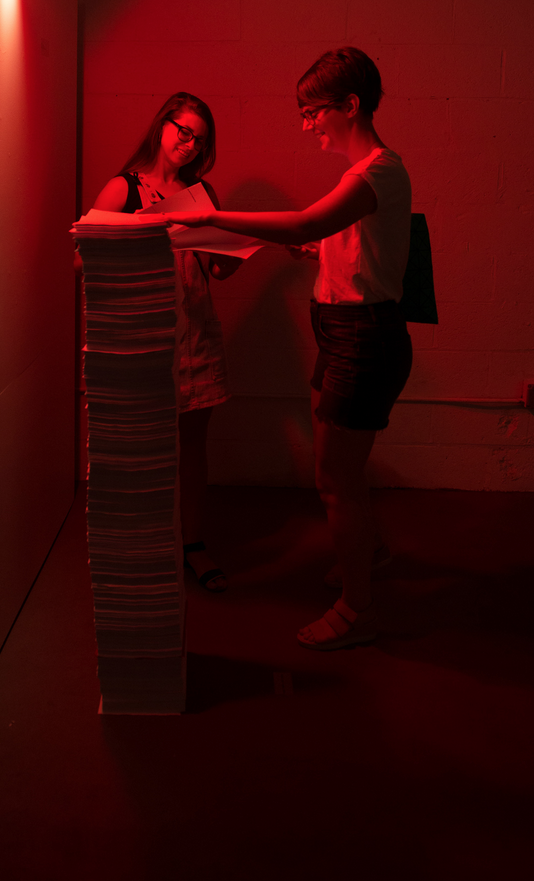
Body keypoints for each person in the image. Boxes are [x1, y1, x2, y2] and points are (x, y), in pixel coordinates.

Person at [161, 48, 412, 649]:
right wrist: (320, 251)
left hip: (363, 337)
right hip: (342, 329)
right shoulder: (364, 176)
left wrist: (213, 218)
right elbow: (348, 248)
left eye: (312, 112)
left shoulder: (375, 172)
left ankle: (357, 608)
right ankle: (368, 553)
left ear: (349, 106)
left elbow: (304, 223)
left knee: (333, 479)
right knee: (343, 468)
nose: (308, 125)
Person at [93, 92, 241, 592]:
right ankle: (144, 549)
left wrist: (238, 251)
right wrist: (139, 229)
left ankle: (192, 545)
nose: (190, 144)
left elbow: (218, 269)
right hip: (141, 336)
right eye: (184, 130)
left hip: (195, 331)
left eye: (199, 138)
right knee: (140, 449)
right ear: (163, 125)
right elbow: (80, 260)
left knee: (192, 447)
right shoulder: (123, 188)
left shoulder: (203, 193)